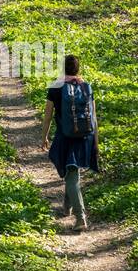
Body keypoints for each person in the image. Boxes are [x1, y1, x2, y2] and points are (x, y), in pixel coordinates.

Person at [41, 54, 99, 232]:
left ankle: (81, 218)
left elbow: (48, 115)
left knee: (72, 174)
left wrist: (44, 136)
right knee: (72, 171)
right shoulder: (86, 86)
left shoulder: (56, 87)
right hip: (84, 137)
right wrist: (96, 141)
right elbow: (94, 117)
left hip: (65, 136)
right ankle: (68, 206)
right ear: (78, 69)